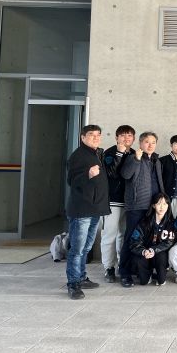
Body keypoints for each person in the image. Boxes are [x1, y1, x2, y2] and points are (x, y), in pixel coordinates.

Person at [65, 124, 110, 300]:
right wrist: (88, 175)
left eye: (98, 135)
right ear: (83, 137)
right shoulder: (78, 156)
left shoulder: (96, 153)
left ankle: (82, 277)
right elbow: (71, 181)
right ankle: (73, 284)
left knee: (86, 247)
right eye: (91, 135)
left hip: (94, 209)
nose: (96, 138)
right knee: (77, 249)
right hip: (81, 210)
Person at [119, 131, 164, 288]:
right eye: (146, 142)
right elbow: (125, 175)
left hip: (153, 207)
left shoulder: (156, 160)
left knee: (147, 240)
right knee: (130, 239)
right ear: (140, 143)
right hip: (137, 206)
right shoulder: (133, 157)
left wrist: (162, 201)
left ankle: (140, 270)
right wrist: (136, 159)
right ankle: (124, 273)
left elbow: (159, 183)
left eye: (153, 142)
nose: (150, 145)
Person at [101, 124, 135, 283]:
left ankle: (123, 265)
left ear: (133, 138)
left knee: (124, 235)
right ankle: (108, 267)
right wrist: (119, 154)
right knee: (110, 235)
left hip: (129, 201)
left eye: (129, 135)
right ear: (116, 137)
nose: (126, 138)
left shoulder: (135, 154)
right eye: (123, 135)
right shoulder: (109, 153)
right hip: (113, 201)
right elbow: (111, 174)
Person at [129, 192, 175, 286]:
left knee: (161, 281)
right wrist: (143, 251)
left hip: (160, 253)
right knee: (144, 282)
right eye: (159, 204)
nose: (162, 207)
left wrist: (153, 250)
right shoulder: (144, 222)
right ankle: (148, 274)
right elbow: (134, 241)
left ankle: (160, 273)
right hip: (145, 253)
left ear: (168, 206)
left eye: (165, 204)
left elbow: (169, 242)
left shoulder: (171, 223)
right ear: (154, 205)